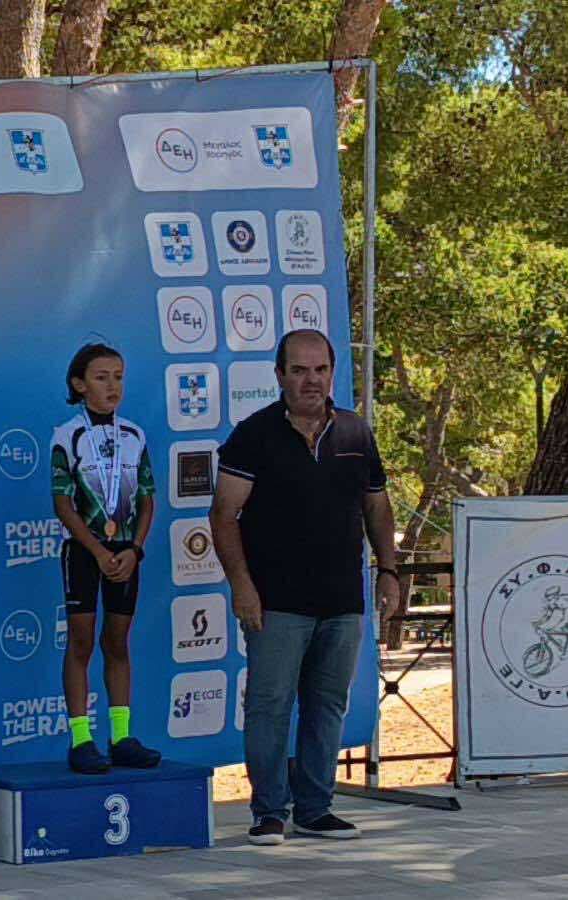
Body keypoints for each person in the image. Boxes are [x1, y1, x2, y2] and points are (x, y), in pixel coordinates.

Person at [210, 328, 398, 843]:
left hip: (342, 600)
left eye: (320, 370)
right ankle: (269, 811)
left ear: (332, 373)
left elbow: (377, 507)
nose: (311, 380)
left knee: (327, 705)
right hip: (275, 601)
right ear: (279, 375)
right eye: (299, 370)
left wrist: (389, 570)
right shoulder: (253, 434)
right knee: (269, 707)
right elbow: (223, 515)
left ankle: (315, 809)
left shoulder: (357, 433)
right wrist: (242, 586)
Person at [51, 343, 160, 774]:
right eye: (101, 377)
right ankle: (81, 739)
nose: (112, 385)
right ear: (79, 384)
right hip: (83, 551)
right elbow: (62, 503)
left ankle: (121, 737)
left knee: (117, 642)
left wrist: (135, 549)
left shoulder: (135, 434)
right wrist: (96, 550)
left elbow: (147, 498)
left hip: (126, 553)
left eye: (118, 376)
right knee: (81, 641)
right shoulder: (67, 434)